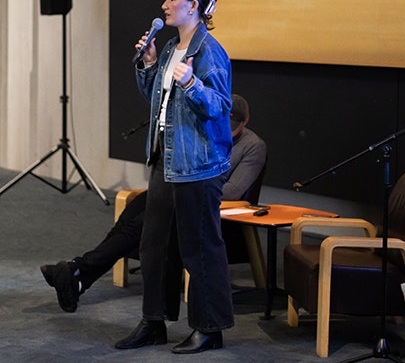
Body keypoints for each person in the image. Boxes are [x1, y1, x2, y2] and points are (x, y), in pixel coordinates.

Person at [40, 94, 266, 316]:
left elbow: (235, 191)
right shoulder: (204, 131)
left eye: (231, 125)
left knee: (138, 225)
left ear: (245, 122)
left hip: (205, 205)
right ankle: (77, 278)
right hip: (176, 193)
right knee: (131, 216)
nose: (224, 129)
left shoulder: (253, 146)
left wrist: (189, 186)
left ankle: (76, 271)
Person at [120, 0, 234, 354]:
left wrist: (192, 86)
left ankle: (209, 328)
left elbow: (220, 106)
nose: (164, 6)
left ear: (194, 6)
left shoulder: (209, 52)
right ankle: (153, 322)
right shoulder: (170, 47)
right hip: (167, 160)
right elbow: (156, 99)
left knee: (199, 249)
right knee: (154, 246)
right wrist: (149, 66)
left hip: (199, 165)